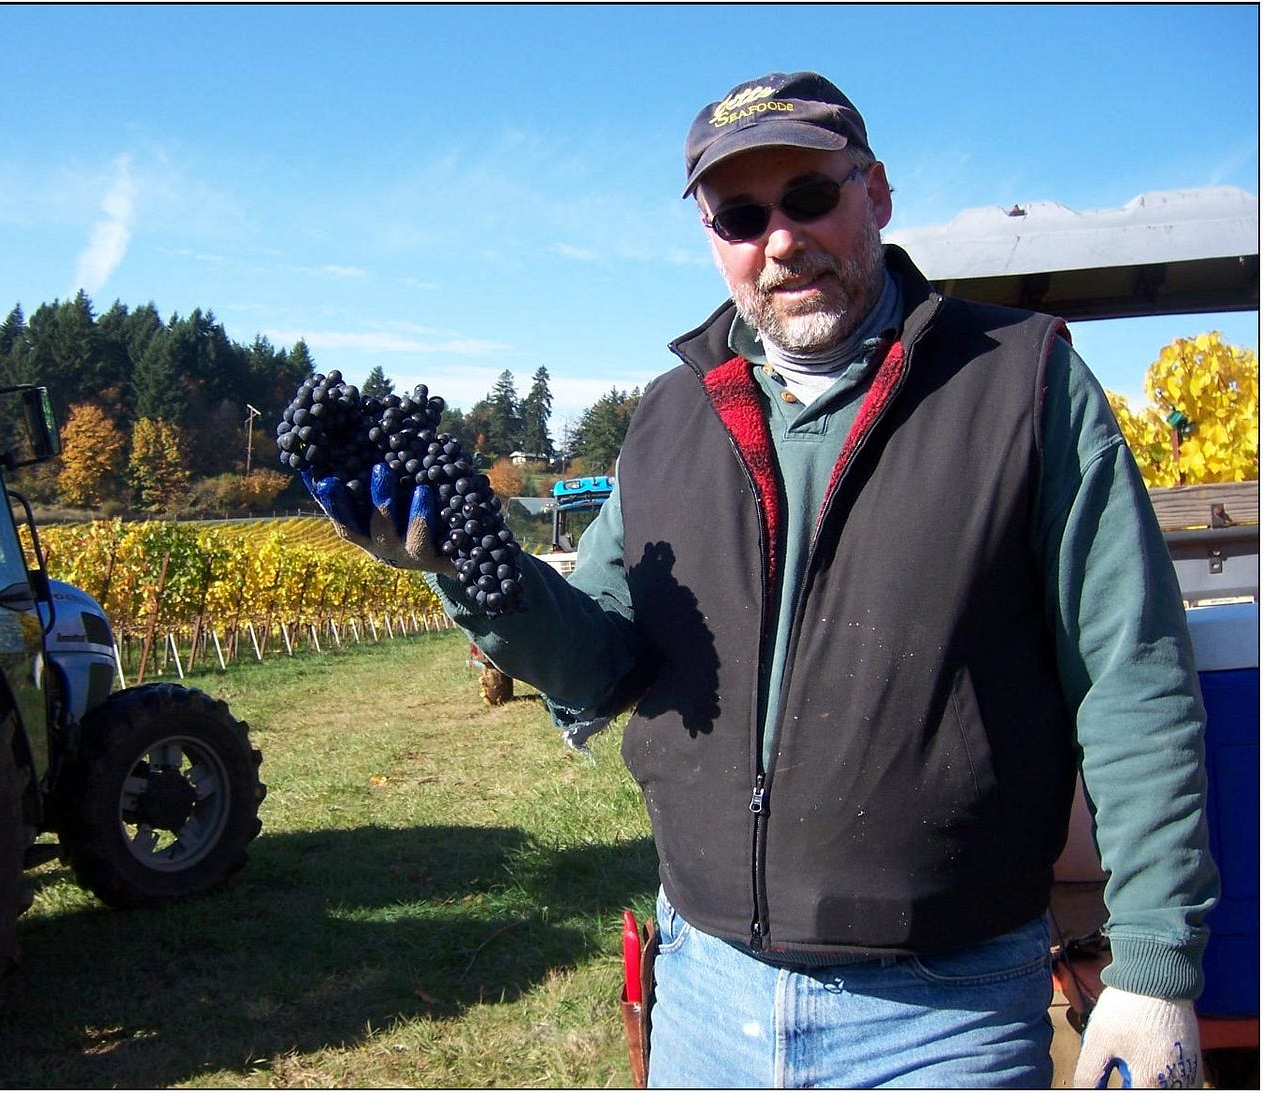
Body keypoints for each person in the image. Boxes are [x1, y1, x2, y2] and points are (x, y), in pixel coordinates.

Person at [308, 69, 1218, 1088]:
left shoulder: (1022, 383)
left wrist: (1150, 968)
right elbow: (603, 658)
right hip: (706, 994)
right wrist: (468, 573)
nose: (779, 239)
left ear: (873, 192)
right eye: (741, 216)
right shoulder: (669, 417)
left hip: (942, 1017)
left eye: (809, 197)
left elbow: (1131, 674)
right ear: (711, 236)